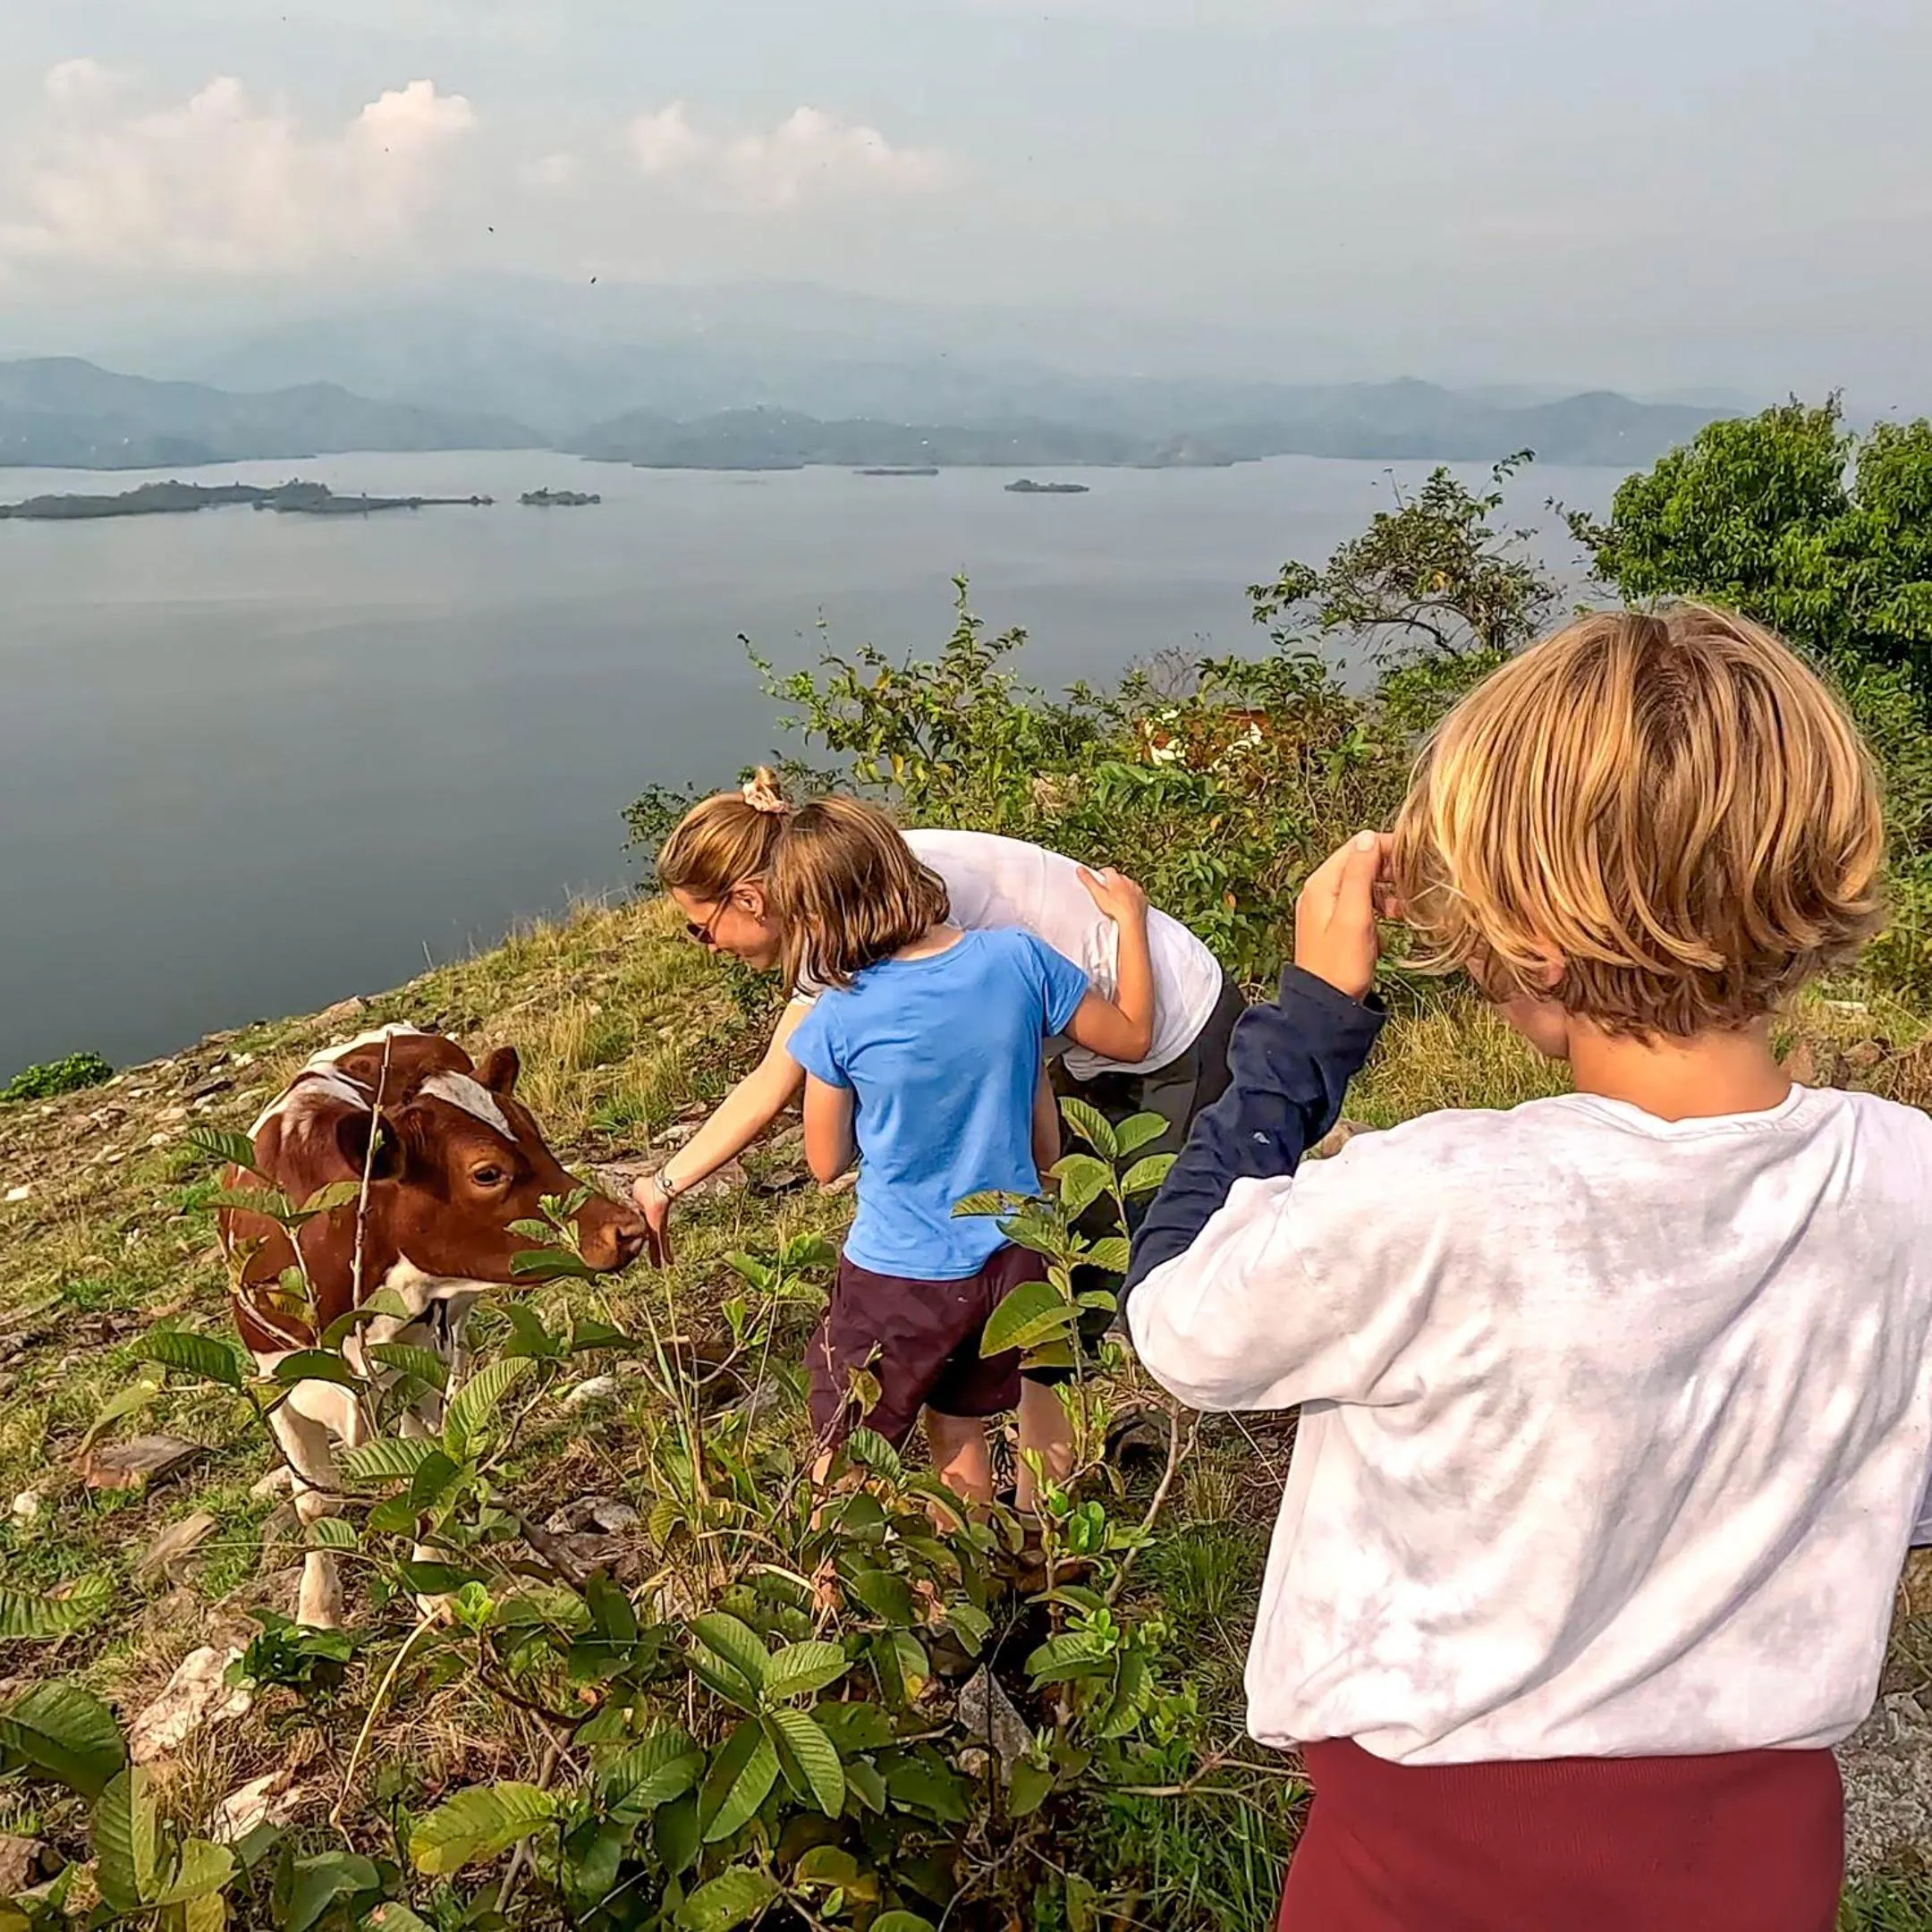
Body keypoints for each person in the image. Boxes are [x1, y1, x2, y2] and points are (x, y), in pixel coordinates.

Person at [1123, 606, 1932, 1931]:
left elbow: (1181, 1319)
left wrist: (1304, 1031)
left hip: (1430, 1856)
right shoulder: (1909, 1176)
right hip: (1762, 1851)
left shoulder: (1441, 1195)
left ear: (1538, 943)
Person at [635, 770, 1240, 1262]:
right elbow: (773, 1077)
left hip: (1174, 1028)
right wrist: (664, 1186)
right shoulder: (841, 896)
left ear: (748, 899)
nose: (709, 947)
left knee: (1145, 1247)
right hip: (1092, 1036)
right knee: (1070, 1240)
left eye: (700, 929)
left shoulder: (899, 894)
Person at [756, 791, 1154, 1506]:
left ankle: (899, 1562)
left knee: (856, 1444)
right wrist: (1130, 920)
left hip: (898, 1272)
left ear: (815, 917)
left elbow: (824, 1162)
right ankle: (1040, 1551)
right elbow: (1131, 1036)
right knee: (1020, 1402)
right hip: (1017, 1248)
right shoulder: (1017, 959)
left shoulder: (838, 1016)